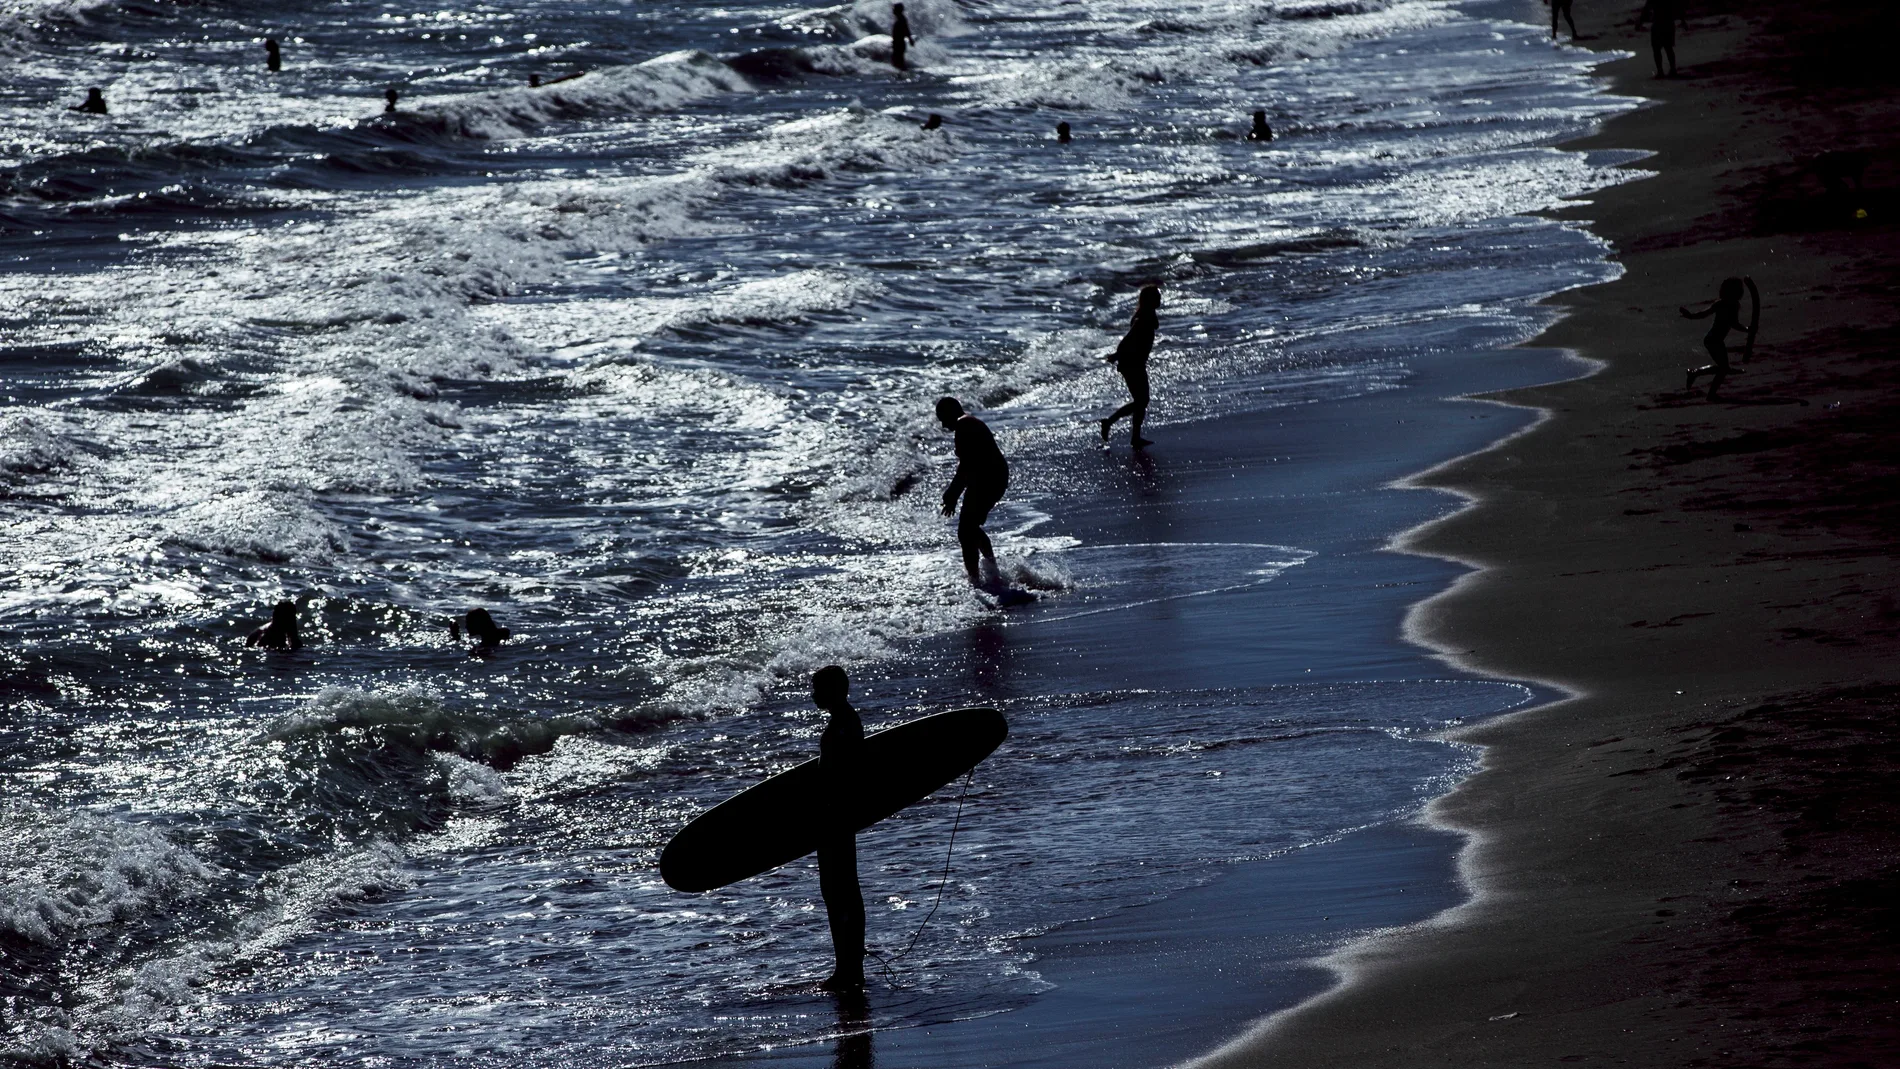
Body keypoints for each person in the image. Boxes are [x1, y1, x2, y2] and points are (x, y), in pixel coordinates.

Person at [812, 665, 866, 990]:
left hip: (837, 819)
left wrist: (833, 810)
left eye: (817, 688)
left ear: (834, 690)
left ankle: (850, 969)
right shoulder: (843, 720)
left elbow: (847, 774)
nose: (812, 695)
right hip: (834, 818)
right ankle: (846, 966)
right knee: (838, 892)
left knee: (841, 891)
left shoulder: (846, 723)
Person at [936, 397, 1009, 585]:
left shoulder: (964, 425)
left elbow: (966, 465)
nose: (943, 425)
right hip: (991, 478)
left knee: (965, 530)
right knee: (970, 528)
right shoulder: (967, 424)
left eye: (943, 418)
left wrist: (952, 494)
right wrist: (954, 493)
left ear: (952, 412)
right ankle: (992, 572)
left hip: (989, 479)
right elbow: (968, 464)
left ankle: (975, 580)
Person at [1099, 283, 1162, 448]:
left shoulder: (1147, 315)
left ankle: (1135, 437)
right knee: (1142, 401)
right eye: (1156, 296)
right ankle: (1110, 423)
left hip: (1136, 363)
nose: (1159, 298)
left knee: (1141, 401)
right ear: (1148, 300)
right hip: (1131, 363)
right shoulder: (1143, 319)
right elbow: (1126, 341)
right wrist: (1117, 355)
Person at [1681, 276, 1756, 399]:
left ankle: (1695, 373)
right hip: (1712, 340)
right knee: (1724, 368)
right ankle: (1710, 393)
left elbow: (1733, 322)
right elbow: (1729, 322)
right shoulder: (1721, 304)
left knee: (1723, 368)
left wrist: (1747, 330)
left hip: (1716, 340)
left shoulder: (1734, 305)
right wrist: (1747, 330)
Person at [1634, 0, 1685, 78]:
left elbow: (1646, 10)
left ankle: (1661, 71)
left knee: (1657, 49)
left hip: (1658, 23)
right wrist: (1683, 21)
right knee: (1668, 48)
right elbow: (1677, 9)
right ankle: (1672, 70)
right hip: (1668, 23)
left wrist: (1640, 22)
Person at [890, 3, 915, 71]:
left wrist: (910, 39)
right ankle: (902, 74)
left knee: (898, 61)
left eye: (894, 8)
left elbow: (906, 30)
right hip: (898, 43)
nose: (892, 10)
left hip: (899, 44)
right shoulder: (900, 18)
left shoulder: (901, 19)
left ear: (897, 10)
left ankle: (903, 75)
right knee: (897, 61)